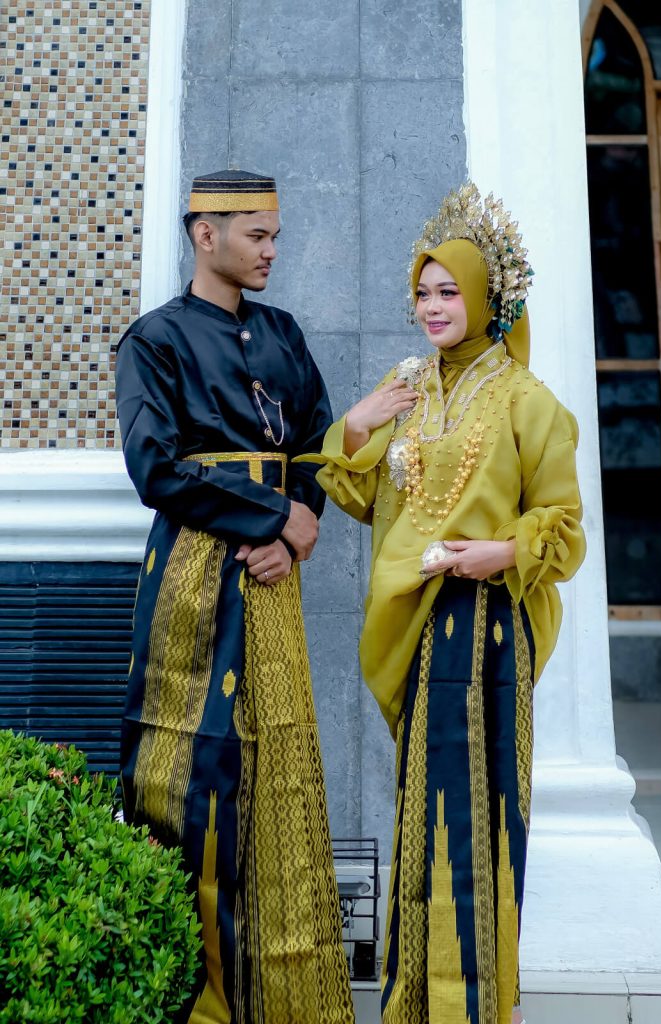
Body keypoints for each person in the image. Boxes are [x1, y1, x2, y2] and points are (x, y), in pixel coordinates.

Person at [311, 184, 586, 1024]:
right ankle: (417, 1003)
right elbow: (364, 499)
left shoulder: (527, 401)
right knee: (424, 812)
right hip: (422, 628)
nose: (432, 307)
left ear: (487, 298)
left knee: (481, 814)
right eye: (423, 292)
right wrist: (359, 424)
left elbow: (564, 527)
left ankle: (478, 1003)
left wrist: (502, 552)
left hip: (490, 625)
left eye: (449, 292)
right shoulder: (405, 387)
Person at [116, 169, 354, 1024]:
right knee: (192, 776)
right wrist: (276, 516)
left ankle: (283, 1002)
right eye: (258, 235)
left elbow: (317, 445)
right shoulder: (154, 341)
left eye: (275, 235)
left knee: (277, 774)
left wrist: (296, 531)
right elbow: (155, 470)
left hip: (269, 581)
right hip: (192, 579)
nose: (271, 251)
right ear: (205, 232)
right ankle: (197, 1001)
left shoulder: (283, 334)